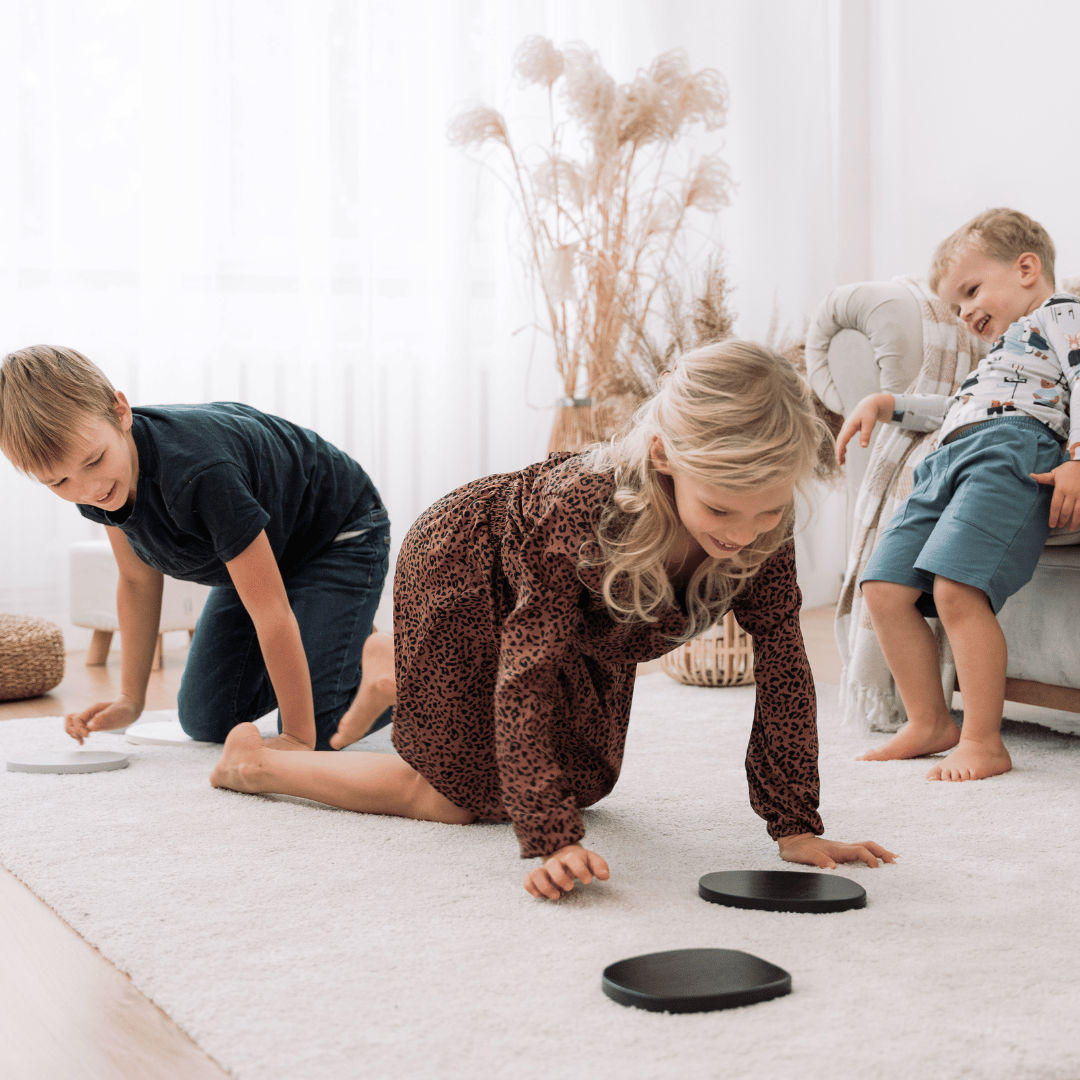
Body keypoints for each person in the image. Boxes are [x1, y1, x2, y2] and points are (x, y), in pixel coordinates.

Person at [210, 340, 895, 899]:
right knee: (463, 797)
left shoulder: (757, 523)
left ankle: (396, 674)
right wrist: (549, 840)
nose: (745, 535)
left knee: (588, 783)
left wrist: (795, 824)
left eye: (769, 513)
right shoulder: (583, 513)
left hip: (585, 608)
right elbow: (530, 669)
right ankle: (257, 766)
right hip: (467, 568)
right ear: (664, 458)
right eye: (720, 511)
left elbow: (782, 665)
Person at [0, 345, 393, 752]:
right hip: (262, 550)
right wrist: (130, 700)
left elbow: (271, 611)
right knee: (207, 719)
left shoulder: (201, 473)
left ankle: (398, 667)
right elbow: (136, 579)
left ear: (121, 412)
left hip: (336, 533)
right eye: (58, 483)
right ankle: (343, 650)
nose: (88, 489)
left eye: (95, 460)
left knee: (326, 729)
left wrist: (296, 737)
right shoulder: (94, 481)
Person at [835, 208, 1080, 783]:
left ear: (1026, 268)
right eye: (954, 306)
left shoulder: (1062, 313)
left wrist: (1078, 457)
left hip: (1013, 451)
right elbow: (961, 408)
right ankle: (930, 722)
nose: (965, 312)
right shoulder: (994, 359)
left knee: (957, 587)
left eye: (971, 291)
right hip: (947, 459)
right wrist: (890, 404)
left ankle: (983, 740)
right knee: (884, 587)